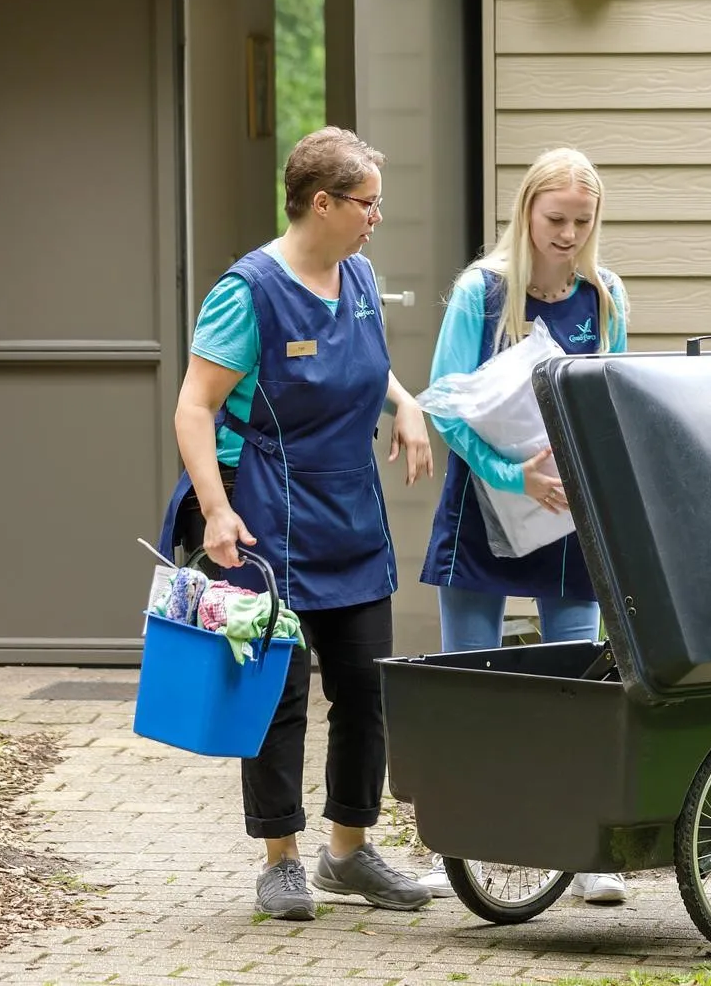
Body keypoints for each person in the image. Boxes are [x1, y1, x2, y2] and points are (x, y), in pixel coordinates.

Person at [158, 126, 438, 922]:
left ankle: (347, 851)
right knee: (277, 693)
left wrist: (406, 402)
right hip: (265, 516)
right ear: (324, 202)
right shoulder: (248, 291)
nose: (377, 216)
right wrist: (216, 509)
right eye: (368, 202)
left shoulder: (356, 275)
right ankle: (280, 859)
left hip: (350, 512)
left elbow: (363, 359)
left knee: (364, 688)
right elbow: (195, 405)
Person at [414, 147, 631, 905]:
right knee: (469, 692)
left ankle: (582, 847)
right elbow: (444, 403)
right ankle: (460, 843)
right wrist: (516, 476)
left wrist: (576, 476)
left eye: (582, 220)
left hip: (570, 527)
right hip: (481, 517)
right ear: (526, 213)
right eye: (555, 219)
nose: (568, 234)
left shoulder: (605, 297)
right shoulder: (481, 292)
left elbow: (611, 402)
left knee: (578, 686)